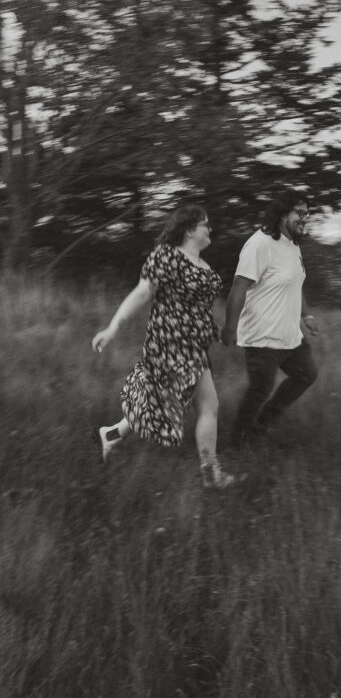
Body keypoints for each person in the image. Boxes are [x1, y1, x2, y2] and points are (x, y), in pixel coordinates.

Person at [92, 202, 239, 490]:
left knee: (193, 405)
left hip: (195, 347)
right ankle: (211, 473)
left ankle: (111, 435)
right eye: (205, 224)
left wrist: (216, 332)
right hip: (171, 345)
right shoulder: (168, 255)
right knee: (183, 408)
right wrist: (113, 327)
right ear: (188, 229)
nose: (211, 229)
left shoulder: (203, 265)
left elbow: (198, 309)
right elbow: (142, 292)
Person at [222, 189, 318, 446]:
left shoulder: (293, 246)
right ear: (281, 214)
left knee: (306, 374)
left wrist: (306, 314)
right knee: (259, 390)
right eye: (299, 212)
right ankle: (238, 442)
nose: (304, 218)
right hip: (263, 337)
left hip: (290, 336)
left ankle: (260, 427)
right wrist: (230, 329)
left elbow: (295, 284)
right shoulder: (260, 243)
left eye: (306, 213)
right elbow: (239, 286)